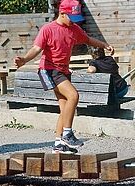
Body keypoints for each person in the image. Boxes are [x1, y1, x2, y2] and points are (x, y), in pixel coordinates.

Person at [14, 0, 115, 154]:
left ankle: (58, 144)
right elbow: (36, 48)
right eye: (71, 18)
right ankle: (67, 134)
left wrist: (105, 45)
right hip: (49, 70)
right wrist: (24, 60)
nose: (73, 22)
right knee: (74, 95)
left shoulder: (74, 29)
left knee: (65, 109)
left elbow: (88, 40)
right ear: (61, 13)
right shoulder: (48, 29)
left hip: (63, 71)